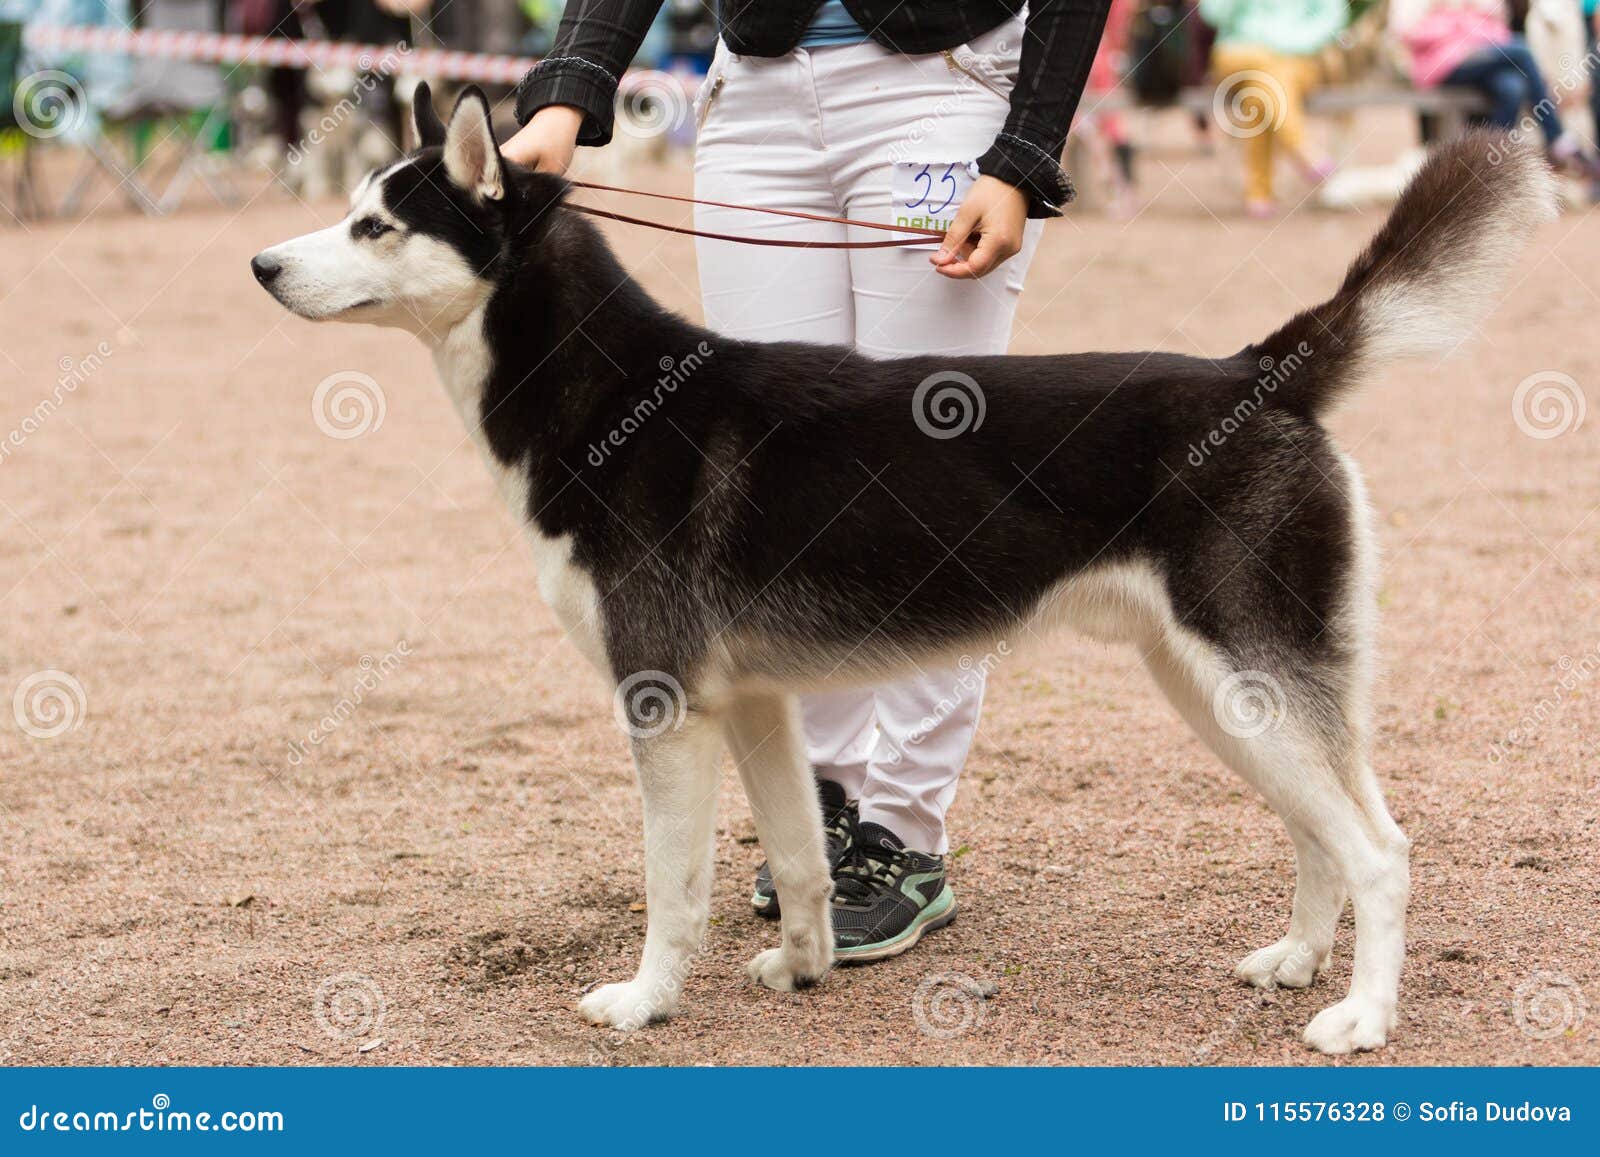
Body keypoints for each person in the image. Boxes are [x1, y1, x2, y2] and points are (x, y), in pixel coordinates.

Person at [503, 0, 1112, 963]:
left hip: (940, 90)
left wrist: (1025, 153)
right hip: (756, 104)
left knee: (928, 475)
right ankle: (820, 804)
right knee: (779, 481)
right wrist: (567, 92)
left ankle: (905, 827)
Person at [1390, 0, 1589, 165]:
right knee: (1522, 51)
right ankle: (1556, 136)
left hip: (1484, 57)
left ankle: (1487, 164)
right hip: (1442, 64)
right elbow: (1404, 30)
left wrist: (1472, 29)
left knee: (1513, 88)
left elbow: (1498, 24)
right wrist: (1456, 24)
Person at [1199, 0, 1348, 217]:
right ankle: (1302, 148)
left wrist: (1286, 44)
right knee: (1268, 70)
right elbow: (1212, 14)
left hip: (1296, 57)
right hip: (1239, 53)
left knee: (1261, 92)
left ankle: (1259, 192)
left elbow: (1331, 18)